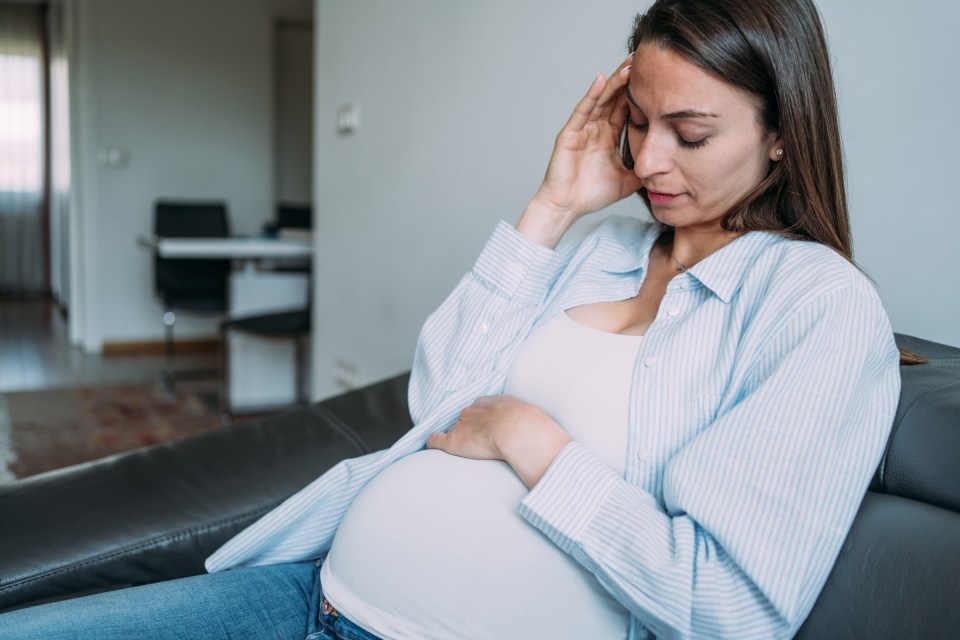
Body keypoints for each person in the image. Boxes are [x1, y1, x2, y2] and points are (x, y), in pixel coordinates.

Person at [0, 0, 902, 638]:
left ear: (782, 131)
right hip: (311, 590)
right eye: (637, 121)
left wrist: (532, 440)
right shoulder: (604, 251)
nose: (650, 159)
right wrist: (551, 208)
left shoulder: (815, 309)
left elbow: (728, 608)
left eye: (691, 134)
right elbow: (435, 397)